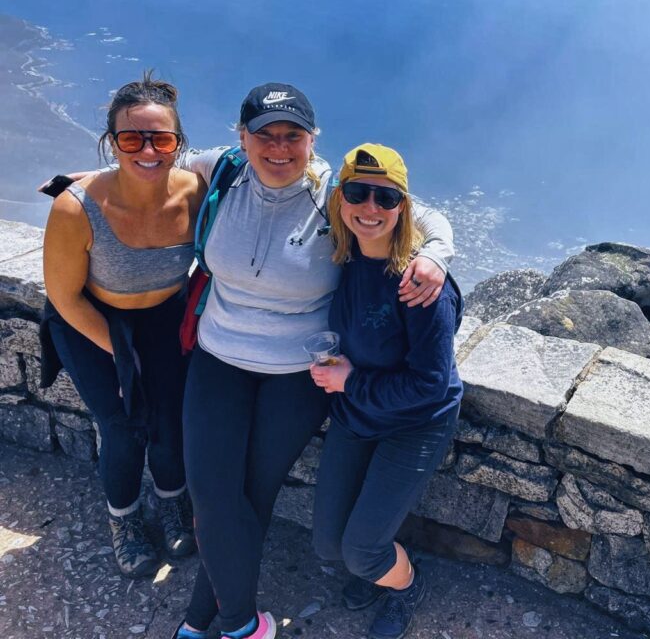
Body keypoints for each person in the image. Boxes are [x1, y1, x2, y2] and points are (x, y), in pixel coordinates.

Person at [173, 85, 454, 639]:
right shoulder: (224, 169)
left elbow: (424, 214)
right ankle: (240, 623)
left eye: (293, 135)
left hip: (295, 377)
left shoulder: (336, 191)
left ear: (312, 140)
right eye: (265, 134)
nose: (279, 147)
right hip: (218, 357)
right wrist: (85, 184)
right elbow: (153, 162)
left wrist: (435, 256)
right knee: (209, 492)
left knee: (252, 493)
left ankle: (206, 618)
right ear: (241, 136)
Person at [40, 74, 200, 578]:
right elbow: (64, 296)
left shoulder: (195, 191)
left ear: (179, 144)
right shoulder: (76, 209)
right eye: (132, 139)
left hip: (163, 321)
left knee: (170, 422)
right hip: (92, 320)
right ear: (112, 142)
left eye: (161, 139)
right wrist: (121, 355)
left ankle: (173, 503)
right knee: (125, 428)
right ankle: (125, 521)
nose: (148, 150)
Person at [310, 143, 463, 639]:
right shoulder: (342, 253)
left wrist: (351, 379)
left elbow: (430, 382)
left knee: (361, 552)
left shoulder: (419, 285)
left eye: (386, 198)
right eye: (358, 192)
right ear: (341, 198)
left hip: (415, 423)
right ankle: (376, 567)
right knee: (329, 547)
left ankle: (405, 585)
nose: (370, 208)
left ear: (403, 207)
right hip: (358, 415)